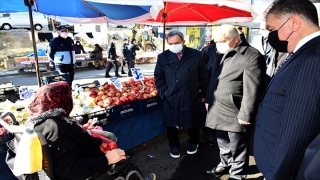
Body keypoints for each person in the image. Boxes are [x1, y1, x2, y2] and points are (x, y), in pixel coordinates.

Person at [26, 81, 156, 180]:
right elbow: (68, 168)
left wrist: (82, 131)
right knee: (124, 158)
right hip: (88, 169)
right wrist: (107, 160)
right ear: (61, 99)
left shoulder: (41, 120)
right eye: (68, 96)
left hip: (85, 156)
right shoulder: (56, 128)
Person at [253, 0, 320, 179]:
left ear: (294, 23)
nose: (270, 36)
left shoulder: (311, 59)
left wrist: (277, 174)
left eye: (272, 29)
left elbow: (297, 130)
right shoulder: (304, 53)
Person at [205, 25, 266, 179]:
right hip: (217, 107)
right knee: (222, 142)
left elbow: (253, 88)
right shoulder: (220, 52)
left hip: (235, 110)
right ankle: (224, 164)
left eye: (222, 41)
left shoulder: (251, 56)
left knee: (238, 146)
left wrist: (246, 114)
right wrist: (208, 99)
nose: (218, 44)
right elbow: (213, 79)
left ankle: (238, 175)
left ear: (236, 39)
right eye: (216, 41)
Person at [154, 30, 208, 159]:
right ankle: (174, 145)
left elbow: (203, 74)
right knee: (171, 122)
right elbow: (158, 77)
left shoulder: (195, 54)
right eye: (170, 43)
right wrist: (164, 92)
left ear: (183, 42)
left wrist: (203, 92)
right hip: (171, 95)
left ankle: (194, 142)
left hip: (190, 94)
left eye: (176, 43)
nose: (173, 46)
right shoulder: (163, 57)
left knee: (193, 120)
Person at [199, 39, 218, 142]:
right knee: (205, 110)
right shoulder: (208, 50)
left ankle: (210, 132)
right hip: (208, 85)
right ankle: (207, 132)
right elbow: (201, 71)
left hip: (217, 85)